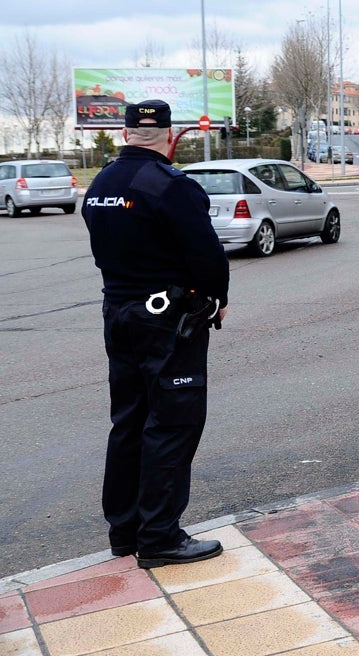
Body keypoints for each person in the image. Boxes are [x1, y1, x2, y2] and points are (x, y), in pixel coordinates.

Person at [81, 99, 229, 568]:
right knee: (172, 421)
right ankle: (161, 536)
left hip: (118, 312)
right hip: (166, 320)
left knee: (128, 421)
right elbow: (207, 255)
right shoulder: (170, 185)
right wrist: (216, 299)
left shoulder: (100, 183)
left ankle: (124, 531)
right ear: (170, 136)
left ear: (126, 134)